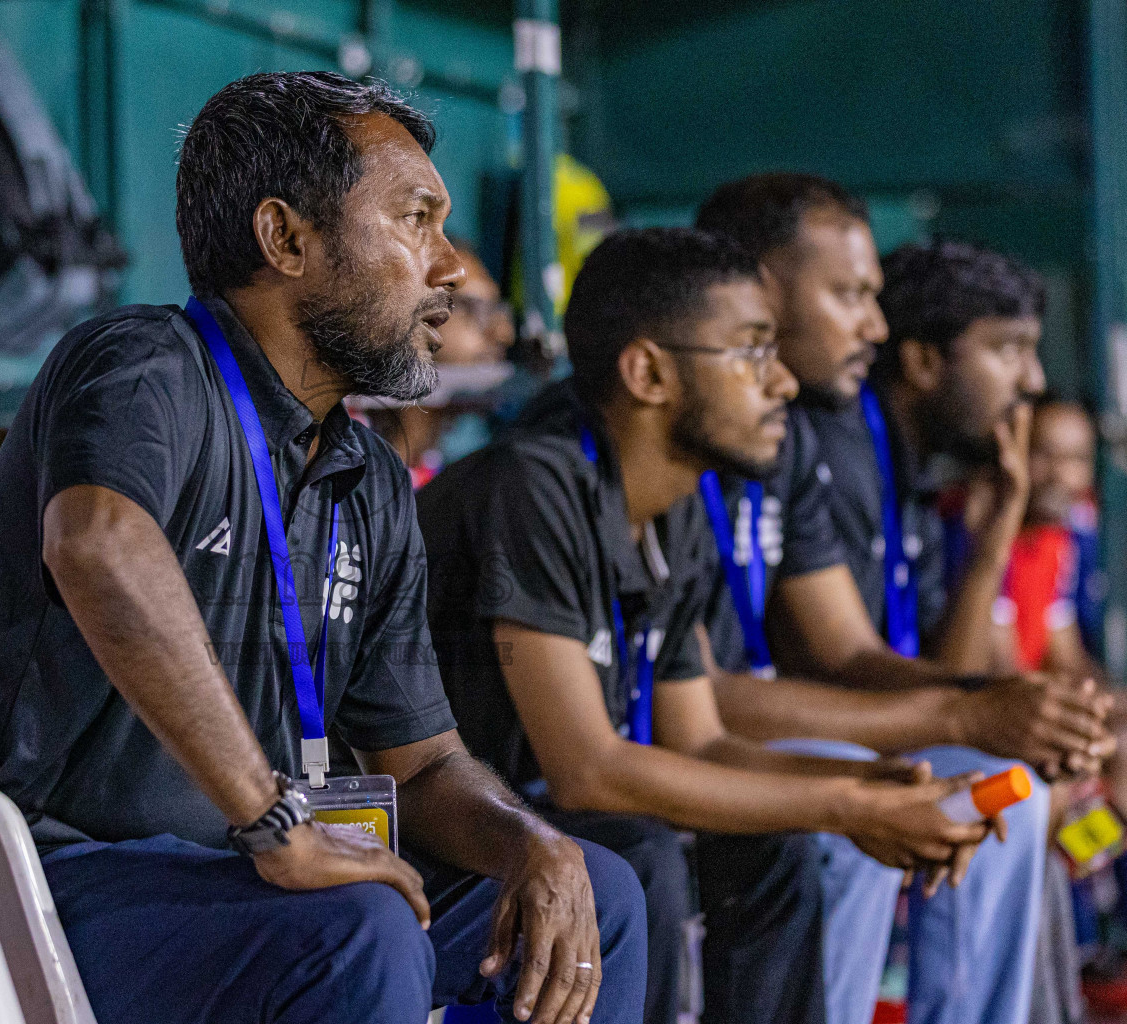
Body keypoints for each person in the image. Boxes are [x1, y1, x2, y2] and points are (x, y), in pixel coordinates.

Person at [0, 72, 648, 1024]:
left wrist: (526, 842)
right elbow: (96, 543)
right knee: (360, 931)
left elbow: (422, 767)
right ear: (285, 238)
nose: (450, 266)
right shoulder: (143, 366)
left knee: (596, 898)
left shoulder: (369, 479)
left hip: (219, 887)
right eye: (415, 219)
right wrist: (274, 818)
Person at [417, 227, 993, 1024]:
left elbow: (700, 740)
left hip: (546, 810)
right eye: (753, 352)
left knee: (774, 846)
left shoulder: (676, 506)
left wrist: (868, 788)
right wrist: (849, 807)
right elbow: (587, 770)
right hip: (445, 820)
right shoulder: (534, 483)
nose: (783, 382)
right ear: (649, 372)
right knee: (635, 850)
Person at [693, 173, 1105, 1024]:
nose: (873, 327)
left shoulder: (822, 446)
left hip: (772, 730)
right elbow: (721, 701)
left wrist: (1002, 704)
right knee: (872, 796)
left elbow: (858, 654)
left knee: (1007, 785)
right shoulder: (817, 439)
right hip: (710, 751)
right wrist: (975, 708)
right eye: (850, 295)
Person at [368, 242, 514, 488]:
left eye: (497, 310)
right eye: (477, 309)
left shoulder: (433, 461)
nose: (503, 334)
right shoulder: (342, 446)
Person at [994, 397, 1107, 679]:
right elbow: (997, 669)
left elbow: (1064, 655)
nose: (1060, 473)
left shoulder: (1061, 540)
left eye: (1077, 458)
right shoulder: (987, 532)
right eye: (1043, 453)